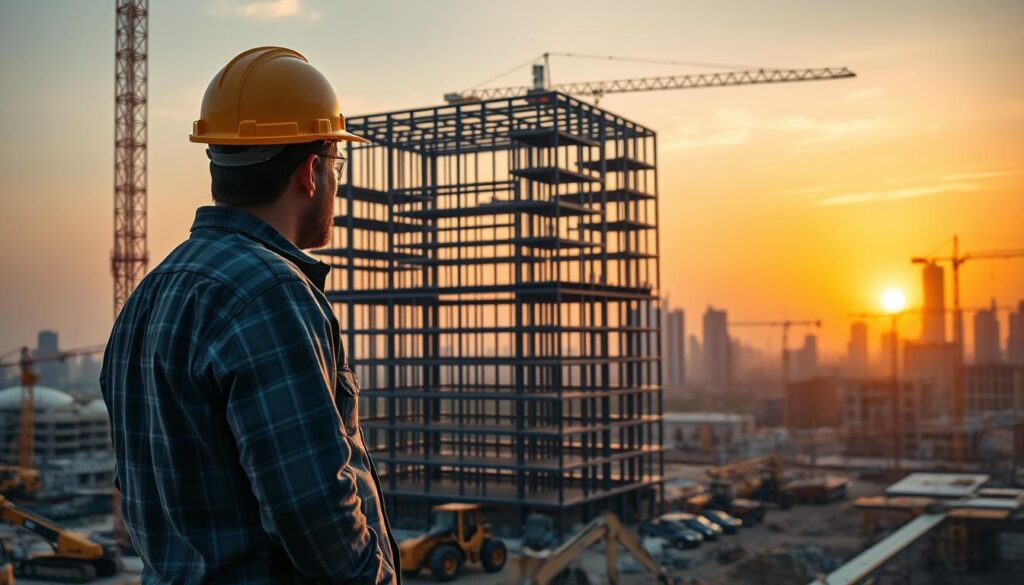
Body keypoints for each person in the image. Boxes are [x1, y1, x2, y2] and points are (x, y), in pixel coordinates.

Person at [100, 47, 399, 584]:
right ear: (311, 172)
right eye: (336, 165)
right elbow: (318, 516)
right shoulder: (271, 294)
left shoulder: (145, 299)